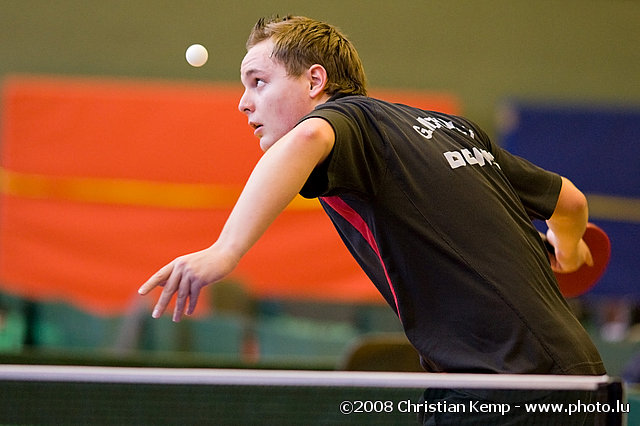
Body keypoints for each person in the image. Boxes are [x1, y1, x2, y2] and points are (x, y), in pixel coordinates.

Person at [138, 15, 606, 424]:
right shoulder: (454, 129)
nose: (244, 102)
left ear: (315, 81)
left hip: (501, 386)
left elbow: (306, 139)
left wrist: (225, 250)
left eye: (258, 82)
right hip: (584, 379)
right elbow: (569, 202)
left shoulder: (347, 120)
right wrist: (567, 249)